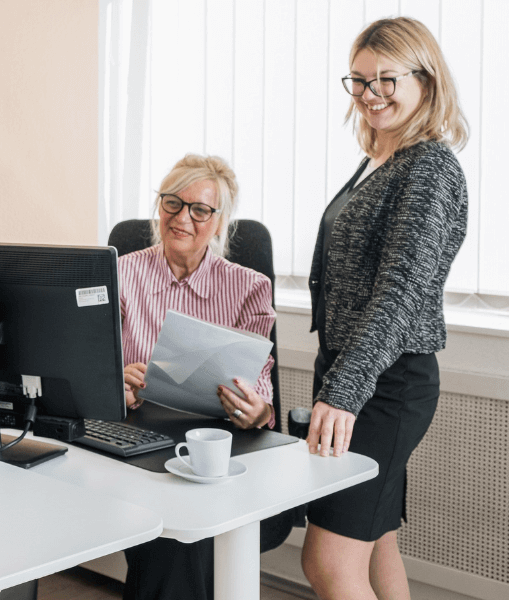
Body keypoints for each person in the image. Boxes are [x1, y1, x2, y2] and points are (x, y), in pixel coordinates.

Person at [300, 17, 468, 600]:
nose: (371, 93)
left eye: (387, 79)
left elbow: (400, 291)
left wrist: (344, 391)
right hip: (359, 372)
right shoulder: (382, 158)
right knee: (375, 546)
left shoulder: (429, 167)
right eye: (360, 80)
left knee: (327, 562)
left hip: (385, 384)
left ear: (425, 79)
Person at [118, 154, 275, 600]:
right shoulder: (121, 273)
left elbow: (258, 380)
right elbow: (96, 361)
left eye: (200, 209)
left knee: (183, 536)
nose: (182, 217)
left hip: (217, 443)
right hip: (138, 437)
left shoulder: (248, 287)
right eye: (172, 202)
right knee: (173, 537)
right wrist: (118, 381)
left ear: (219, 222)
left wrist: (257, 408)